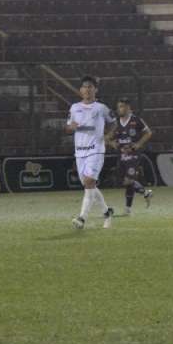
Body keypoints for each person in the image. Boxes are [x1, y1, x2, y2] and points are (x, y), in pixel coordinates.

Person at [66, 76, 116, 229]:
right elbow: (68, 128)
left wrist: (108, 136)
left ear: (95, 89)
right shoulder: (74, 107)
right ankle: (107, 212)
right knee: (90, 185)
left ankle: (82, 218)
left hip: (96, 150)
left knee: (89, 182)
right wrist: (71, 127)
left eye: (90, 87)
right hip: (80, 152)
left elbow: (114, 123)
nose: (87, 89)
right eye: (84, 87)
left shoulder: (101, 108)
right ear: (80, 90)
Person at [106, 97, 153, 215]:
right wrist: (112, 143)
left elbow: (148, 133)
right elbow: (107, 138)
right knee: (125, 182)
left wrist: (138, 144)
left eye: (121, 107)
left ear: (127, 107)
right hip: (121, 156)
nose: (119, 109)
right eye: (118, 107)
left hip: (133, 155)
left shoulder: (136, 120)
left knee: (129, 180)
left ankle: (128, 208)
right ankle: (144, 194)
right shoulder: (116, 123)